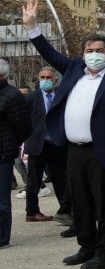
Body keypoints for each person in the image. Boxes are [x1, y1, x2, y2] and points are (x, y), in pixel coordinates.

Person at [23, 1, 105, 269]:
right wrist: (31, 28)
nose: (93, 54)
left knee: (104, 205)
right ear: (83, 53)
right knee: (81, 203)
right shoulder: (75, 69)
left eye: (99, 51)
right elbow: (50, 54)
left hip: (104, 151)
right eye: (89, 50)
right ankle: (86, 247)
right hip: (73, 150)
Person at [22, 67, 74, 225]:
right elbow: (23, 121)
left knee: (60, 180)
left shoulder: (61, 97)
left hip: (56, 145)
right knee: (34, 181)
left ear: (55, 80)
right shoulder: (31, 98)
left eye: (49, 77)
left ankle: (65, 210)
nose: (45, 80)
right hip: (38, 145)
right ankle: (32, 212)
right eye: (42, 77)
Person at [0, 59, 32, 249]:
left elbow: (24, 127)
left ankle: (2, 238)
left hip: (2, 155)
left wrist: (11, 144)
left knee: (2, 201)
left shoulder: (12, 95)